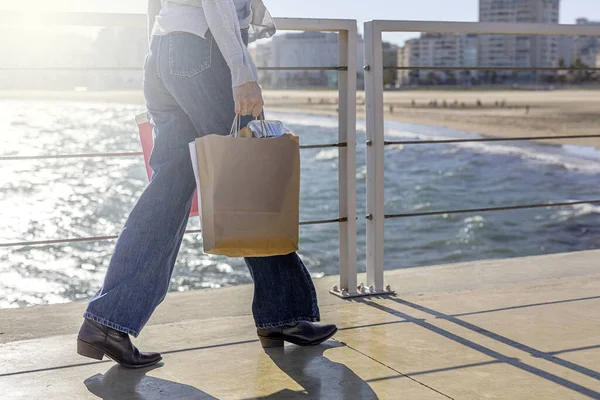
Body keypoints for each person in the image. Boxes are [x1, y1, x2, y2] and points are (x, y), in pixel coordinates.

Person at [76, 0, 337, 369]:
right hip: (205, 52)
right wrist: (242, 71)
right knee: (250, 175)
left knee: (169, 189)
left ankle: (107, 322)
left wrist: (167, 62)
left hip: (164, 53)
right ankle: (284, 315)